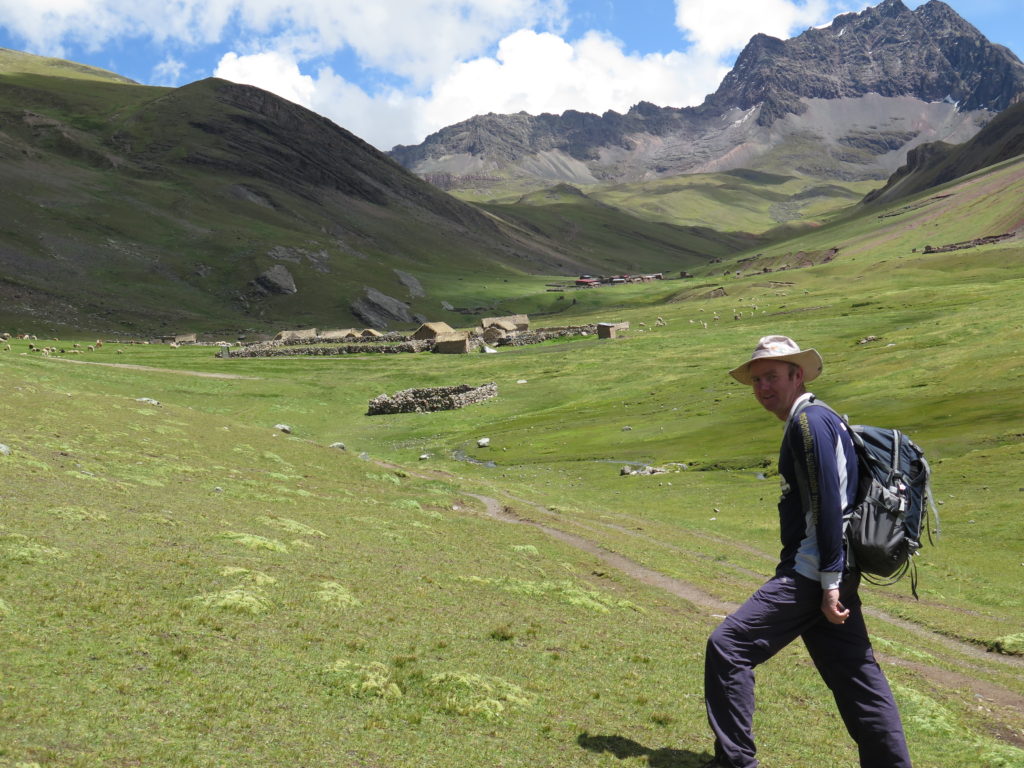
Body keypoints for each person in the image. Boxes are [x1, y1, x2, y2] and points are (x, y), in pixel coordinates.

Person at [702, 335, 912, 768]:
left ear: (797, 375)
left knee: (728, 646)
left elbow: (829, 506)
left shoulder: (808, 423)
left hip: (812, 574)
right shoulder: (822, 418)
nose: (763, 388)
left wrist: (829, 582)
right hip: (832, 572)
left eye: (772, 377)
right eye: (757, 380)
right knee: (857, 679)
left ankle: (735, 763)